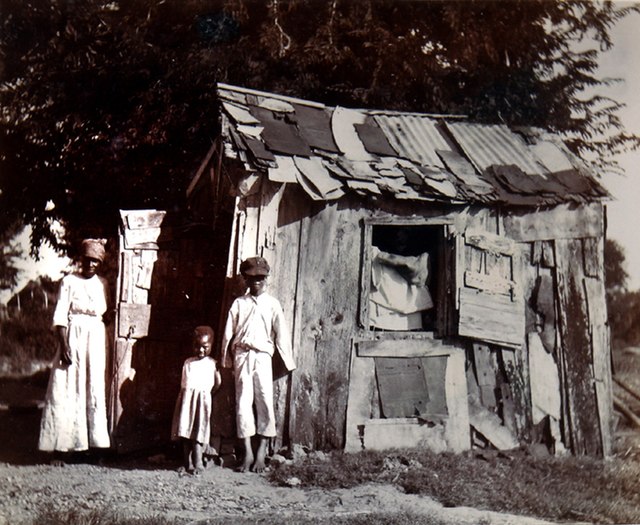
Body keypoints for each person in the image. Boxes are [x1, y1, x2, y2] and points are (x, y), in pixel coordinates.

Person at [38, 238, 112, 461]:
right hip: (74, 336)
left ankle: (94, 446)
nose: (91, 265)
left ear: (100, 263)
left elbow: (105, 314)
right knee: (66, 387)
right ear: (81, 259)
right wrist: (64, 345)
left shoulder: (103, 284)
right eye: (88, 260)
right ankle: (61, 448)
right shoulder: (69, 281)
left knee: (94, 387)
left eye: (96, 261)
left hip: (96, 338)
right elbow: (60, 317)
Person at [221, 256, 296, 473]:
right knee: (243, 401)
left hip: (263, 357)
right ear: (245, 279)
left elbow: (281, 334)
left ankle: (262, 450)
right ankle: (247, 452)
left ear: (267, 279)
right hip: (242, 356)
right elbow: (228, 334)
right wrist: (226, 359)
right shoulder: (239, 304)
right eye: (252, 278)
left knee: (264, 399)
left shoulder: (273, 304)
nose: (257, 282)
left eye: (261, 278)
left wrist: (287, 362)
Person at [171, 325, 222, 475]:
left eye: (205, 347)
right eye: (197, 347)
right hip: (187, 402)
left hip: (203, 402)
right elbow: (184, 384)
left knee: (199, 432)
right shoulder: (188, 363)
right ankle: (188, 463)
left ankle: (198, 461)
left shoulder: (212, 364)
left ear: (211, 345)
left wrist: (207, 394)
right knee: (186, 432)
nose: (200, 350)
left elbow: (217, 383)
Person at [370, 228, 433, 331]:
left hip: (407, 314)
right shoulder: (383, 252)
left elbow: (414, 268)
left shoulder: (419, 257)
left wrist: (385, 258)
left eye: (403, 234)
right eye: (396, 235)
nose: (399, 237)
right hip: (389, 310)